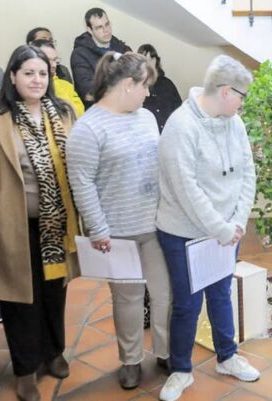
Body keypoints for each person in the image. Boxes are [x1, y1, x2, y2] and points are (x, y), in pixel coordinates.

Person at [0, 44, 80, 401]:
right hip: (11, 224)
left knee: (54, 293)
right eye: (28, 72)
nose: (37, 79)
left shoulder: (64, 113)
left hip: (56, 224)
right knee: (19, 300)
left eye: (42, 73)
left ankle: (53, 353)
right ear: (12, 76)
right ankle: (25, 368)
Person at [66, 52, 172, 390]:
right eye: (144, 86)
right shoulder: (88, 128)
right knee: (127, 301)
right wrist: (98, 230)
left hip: (154, 226)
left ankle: (167, 352)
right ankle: (130, 361)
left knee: (164, 294)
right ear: (128, 85)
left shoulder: (144, 118)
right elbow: (81, 183)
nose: (147, 93)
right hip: (117, 234)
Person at [156, 55, 258, 401]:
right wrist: (221, 228)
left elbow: (247, 173)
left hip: (227, 229)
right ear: (226, 91)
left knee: (221, 294)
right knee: (186, 303)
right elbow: (186, 190)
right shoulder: (181, 125)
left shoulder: (235, 123)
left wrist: (238, 221)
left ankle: (227, 357)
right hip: (184, 231)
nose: (243, 104)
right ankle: (181, 370)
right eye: (242, 96)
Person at [71, 7, 131, 108]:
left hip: (126, 107)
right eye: (99, 27)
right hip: (99, 112)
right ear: (89, 30)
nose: (106, 30)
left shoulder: (124, 49)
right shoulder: (79, 55)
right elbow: (88, 91)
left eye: (107, 24)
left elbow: (138, 79)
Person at [32, 39, 84, 117]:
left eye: (55, 60)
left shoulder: (66, 86)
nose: (53, 65)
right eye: (48, 60)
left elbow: (80, 112)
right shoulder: (32, 86)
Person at [137, 44, 182, 133]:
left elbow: (179, 109)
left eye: (152, 59)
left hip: (169, 135)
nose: (149, 63)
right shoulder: (137, 86)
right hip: (147, 135)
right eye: (146, 59)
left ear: (156, 61)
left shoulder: (168, 84)